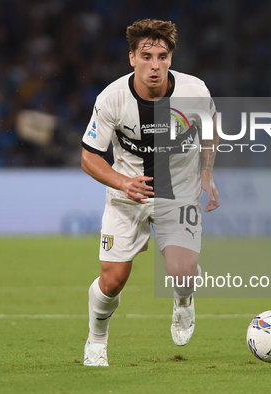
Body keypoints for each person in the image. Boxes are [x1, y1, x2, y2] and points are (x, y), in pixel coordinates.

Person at [80, 18, 219, 367]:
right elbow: (88, 156)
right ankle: (97, 339)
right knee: (112, 282)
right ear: (132, 58)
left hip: (178, 193)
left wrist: (207, 174)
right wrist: (123, 182)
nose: (154, 65)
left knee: (183, 273)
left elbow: (210, 130)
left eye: (162, 56)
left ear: (172, 57)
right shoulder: (112, 98)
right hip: (128, 195)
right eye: (146, 56)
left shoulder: (195, 91)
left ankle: (184, 302)